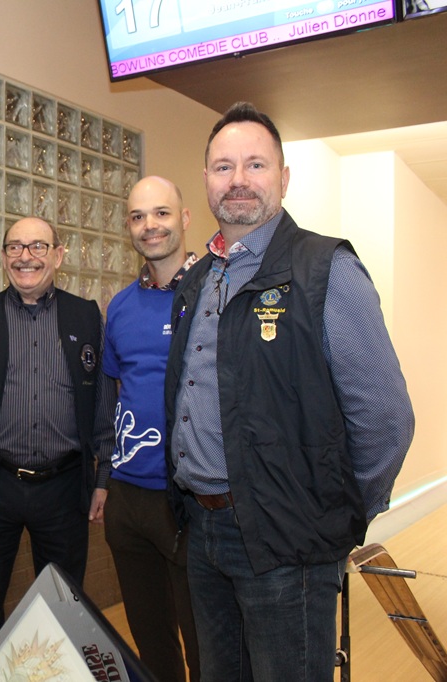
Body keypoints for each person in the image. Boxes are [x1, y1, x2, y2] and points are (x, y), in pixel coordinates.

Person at [165, 102, 414, 681]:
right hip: (204, 533)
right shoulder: (198, 280)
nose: (239, 179)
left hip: (289, 543)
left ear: (283, 177)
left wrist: (336, 518)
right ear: (206, 180)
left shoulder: (327, 270)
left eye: (255, 164)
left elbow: (385, 419)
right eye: (223, 167)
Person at [0, 216, 114, 680]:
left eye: (38, 246)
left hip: (64, 487)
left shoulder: (86, 316)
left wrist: (103, 476)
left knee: (63, 605)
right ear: (4, 256)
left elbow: (103, 400)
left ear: (58, 255)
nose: (26, 257)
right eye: (15, 247)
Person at [101, 176, 199, 682]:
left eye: (161, 213)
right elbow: (118, 391)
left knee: (205, 644)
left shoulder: (212, 294)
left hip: (188, 499)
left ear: (185, 218)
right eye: (138, 217)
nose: (149, 226)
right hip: (128, 499)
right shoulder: (119, 306)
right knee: (151, 642)